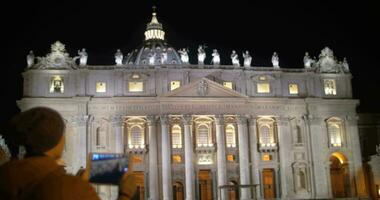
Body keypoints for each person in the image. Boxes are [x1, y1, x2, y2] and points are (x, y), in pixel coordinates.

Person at [0, 107, 137, 200]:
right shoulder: (71, 187)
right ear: (60, 140)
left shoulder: (5, 175)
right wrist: (124, 194)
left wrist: (79, 181)